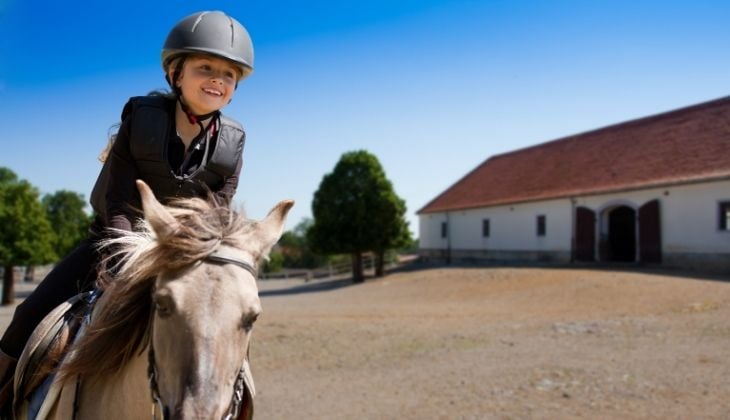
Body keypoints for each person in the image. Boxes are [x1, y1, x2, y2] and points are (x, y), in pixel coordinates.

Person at [0, 10, 254, 412]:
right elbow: (117, 201)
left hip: (181, 260)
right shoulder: (141, 121)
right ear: (175, 73)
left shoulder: (233, 144)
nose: (218, 80)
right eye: (205, 67)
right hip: (114, 246)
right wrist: (126, 263)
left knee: (229, 346)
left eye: (229, 74)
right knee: (27, 316)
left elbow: (215, 220)